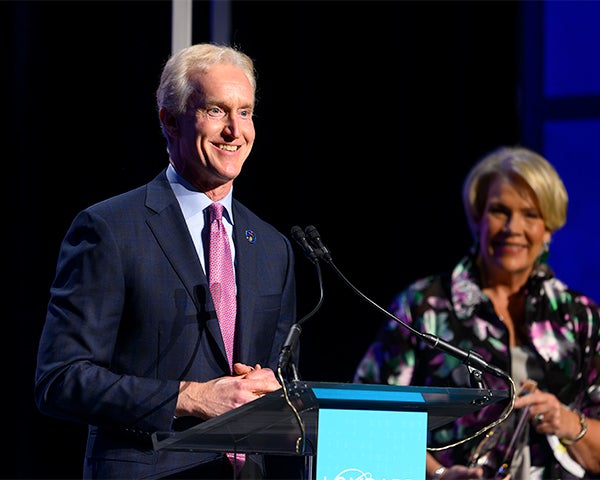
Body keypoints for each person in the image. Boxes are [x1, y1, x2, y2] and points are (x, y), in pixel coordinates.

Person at [35, 43, 301, 479]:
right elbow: (60, 380)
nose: (235, 130)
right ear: (169, 120)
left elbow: (282, 379)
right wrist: (191, 396)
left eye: (246, 112)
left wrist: (273, 389)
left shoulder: (273, 248)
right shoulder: (111, 229)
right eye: (217, 111)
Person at [353, 146, 600, 480]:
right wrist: (440, 475)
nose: (513, 227)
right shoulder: (424, 306)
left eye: (530, 214)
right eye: (499, 211)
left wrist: (567, 421)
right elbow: (367, 416)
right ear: (477, 218)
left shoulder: (581, 318)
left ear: (548, 229)